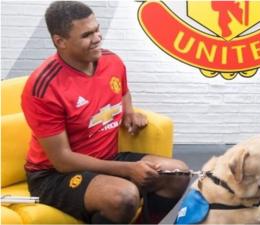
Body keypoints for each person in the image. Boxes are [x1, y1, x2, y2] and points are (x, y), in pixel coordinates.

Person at [21, 1, 190, 224]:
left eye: (97, 29)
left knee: (177, 174)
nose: (98, 37)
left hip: (107, 157)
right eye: (87, 35)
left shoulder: (112, 61)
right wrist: (129, 169)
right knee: (123, 196)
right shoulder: (43, 87)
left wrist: (128, 111)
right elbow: (62, 160)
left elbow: (122, 91)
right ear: (60, 41)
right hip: (54, 175)